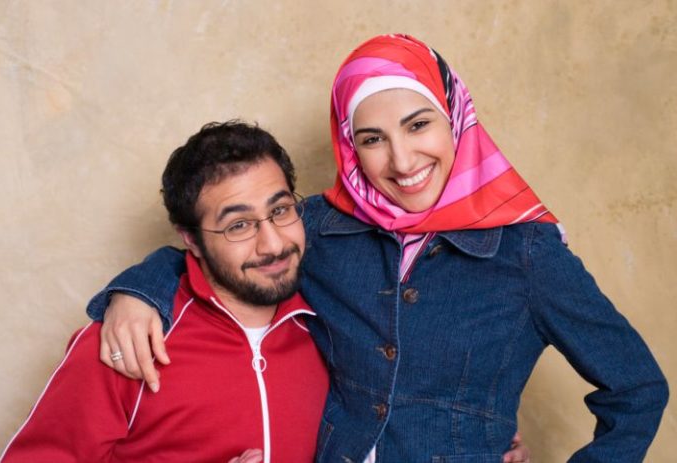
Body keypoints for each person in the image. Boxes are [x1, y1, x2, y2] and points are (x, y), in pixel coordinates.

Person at [85, 34, 668, 462]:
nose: (403, 161)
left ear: (457, 120)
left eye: (419, 125)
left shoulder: (528, 252)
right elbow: (230, 245)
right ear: (349, 147)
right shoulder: (319, 226)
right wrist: (140, 289)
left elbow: (638, 388)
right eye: (372, 139)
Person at [0, 122, 329, 463]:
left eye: (280, 210)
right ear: (190, 239)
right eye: (238, 226)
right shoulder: (125, 342)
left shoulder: (333, 321)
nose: (273, 244)